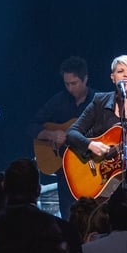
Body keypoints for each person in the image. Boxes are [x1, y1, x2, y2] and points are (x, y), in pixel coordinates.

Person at [66, 54, 127, 197]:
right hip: (104, 180)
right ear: (113, 77)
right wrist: (90, 145)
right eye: (120, 71)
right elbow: (72, 133)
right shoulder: (100, 101)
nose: (126, 75)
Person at [29, 55, 96, 220]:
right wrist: (51, 135)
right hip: (64, 172)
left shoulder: (98, 102)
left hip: (91, 171)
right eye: (67, 84)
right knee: (67, 216)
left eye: (74, 83)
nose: (70, 88)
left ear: (85, 79)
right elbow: (32, 126)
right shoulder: (59, 100)